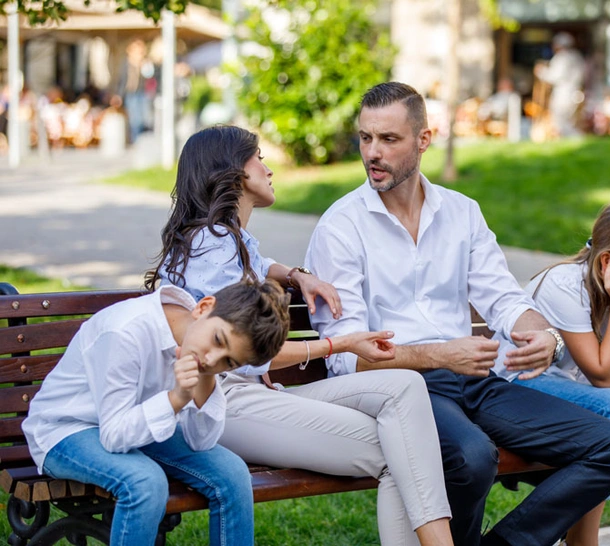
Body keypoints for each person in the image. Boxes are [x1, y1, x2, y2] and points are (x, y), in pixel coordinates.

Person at [304, 81, 610, 546]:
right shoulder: (341, 228)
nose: (372, 153)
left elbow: (503, 298)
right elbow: (347, 358)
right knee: (473, 456)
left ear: (424, 140)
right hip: (405, 390)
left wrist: (545, 336)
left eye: (389, 139)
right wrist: (442, 355)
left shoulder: (461, 212)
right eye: (365, 138)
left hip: (478, 378)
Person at [145, 125, 455, 546]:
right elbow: (248, 353)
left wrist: (295, 275)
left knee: (404, 387)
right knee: (401, 455)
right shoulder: (211, 245)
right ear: (234, 172)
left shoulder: (226, 239)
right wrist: (341, 343)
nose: (268, 168)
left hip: (250, 394)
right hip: (219, 401)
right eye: (258, 158)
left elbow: (258, 262)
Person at [22, 280, 291, 546]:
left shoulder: (204, 355)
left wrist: (205, 379)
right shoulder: (127, 331)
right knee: (145, 482)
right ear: (204, 307)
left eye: (228, 362)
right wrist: (175, 399)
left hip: (135, 424)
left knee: (233, 474)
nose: (212, 359)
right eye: (218, 340)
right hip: (66, 430)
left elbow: (201, 442)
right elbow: (113, 436)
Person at [493, 202, 610, 546]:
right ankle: (582, 541)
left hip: (568, 386)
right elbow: (604, 378)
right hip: (518, 385)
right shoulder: (565, 285)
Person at [534, 32, 585, 138]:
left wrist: (541, 71)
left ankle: (577, 141)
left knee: (562, 122)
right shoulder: (577, 56)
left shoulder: (562, 58)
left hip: (564, 94)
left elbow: (554, 77)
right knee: (570, 121)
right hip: (575, 93)